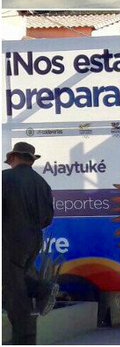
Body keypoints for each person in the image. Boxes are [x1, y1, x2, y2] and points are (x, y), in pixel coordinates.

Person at [3, 142, 55, 344]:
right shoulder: (42, 184)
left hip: (9, 239)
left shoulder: (4, 179)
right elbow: (47, 218)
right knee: (18, 279)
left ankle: (23, 339)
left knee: (13, 291)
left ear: (14, 158)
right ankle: (43, 289)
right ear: (31, 160)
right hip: (33, 240)